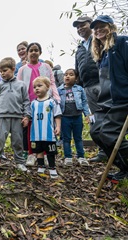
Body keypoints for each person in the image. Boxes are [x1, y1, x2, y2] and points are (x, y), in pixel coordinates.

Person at [90, 15, 128, 183]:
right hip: (106, 102)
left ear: (111, 27)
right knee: (96, 132)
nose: (98, 30)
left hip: (122, 99)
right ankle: (124, 167)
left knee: (108, 134)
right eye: (95, 28)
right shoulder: (102, 53)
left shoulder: (122, 42)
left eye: (102, 26)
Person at [17, 42, 60, 167]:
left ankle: (46, 154)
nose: (34, 52)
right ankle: (31, 154)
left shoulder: (46, 67)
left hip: (45, 101)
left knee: (46, 128)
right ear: (27, 53)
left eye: (36, 50)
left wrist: (56, 98)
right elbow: (19, 86)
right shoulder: (22, 69)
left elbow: (52, 83)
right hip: (29, 102)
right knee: (31, 130)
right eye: (31, 50)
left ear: (40, 52)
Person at [73, 15, 108, 162]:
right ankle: (103, 151)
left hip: (103, 83)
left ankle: (119, 148)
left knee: (110, 115)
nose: (80, 28)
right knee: (97, 119)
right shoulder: (79, 49)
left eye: (83, 25)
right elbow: (77, 70)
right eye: (78, 27)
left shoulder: (99, 41)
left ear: (91, 25)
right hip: (88, 87)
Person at [0, 57, 30, 174]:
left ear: (12, 69)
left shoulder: (21, 85)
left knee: (17, 141)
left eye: (5, 70)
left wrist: (26, 115)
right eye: (0, 71)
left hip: (17, 117)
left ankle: (20, 163)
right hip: (1, 116)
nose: (2, 73)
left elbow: (26, 101)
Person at [30, 76, 62, 179]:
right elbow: (30, 116)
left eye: (39, 86)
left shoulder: (52, 102)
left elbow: (57, 115)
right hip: (36, 134)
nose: (37, 89)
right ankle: (41, 166)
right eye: (35, 87)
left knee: (50, 151)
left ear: (48, 87)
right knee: (38, 151)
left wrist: (58, 126)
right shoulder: (33, 103)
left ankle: (52, 168)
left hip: (48, 133)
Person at [58, 68, 90, 166]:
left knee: (78, 138)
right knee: (66, 138)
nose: (67, 76)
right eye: (66, 74)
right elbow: (56, 103)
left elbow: (84, 102)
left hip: (77, 117)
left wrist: (87, 114)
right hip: (65, 118)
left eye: (71, 74)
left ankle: (81, 157)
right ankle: (68, 157)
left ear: (76, 78)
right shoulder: (59, 89)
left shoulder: (79, 89)